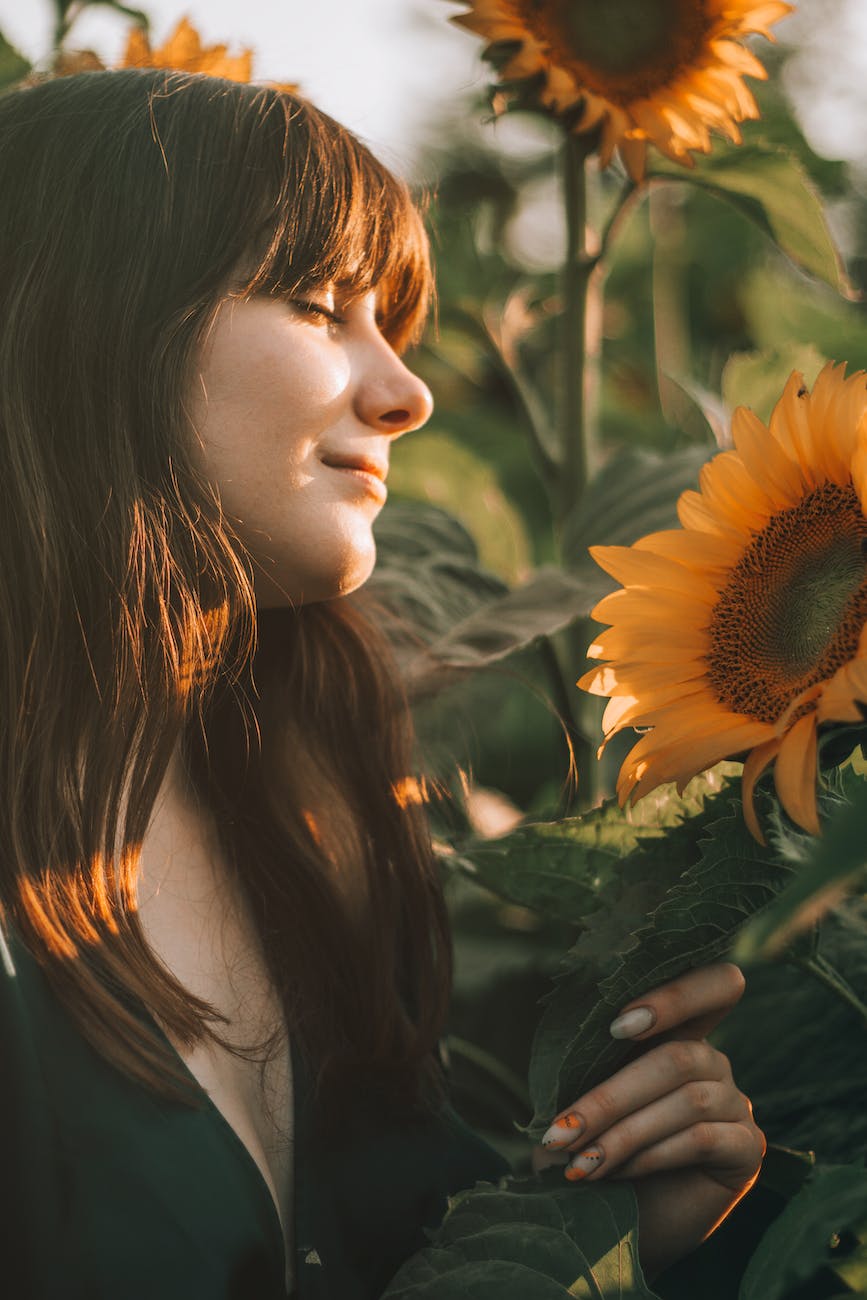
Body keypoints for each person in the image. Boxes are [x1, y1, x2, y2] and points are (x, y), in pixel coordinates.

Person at [0, 67, 765, 1299]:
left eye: (394, 330)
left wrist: (619, 1240)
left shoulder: (319, 823)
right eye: (320, 305)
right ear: (88, 327)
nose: (404, 394)